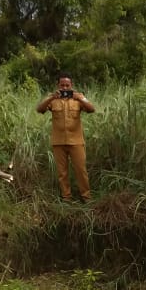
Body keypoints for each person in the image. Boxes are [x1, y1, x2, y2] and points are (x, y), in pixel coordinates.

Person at [36, 73, 95, 201]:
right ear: (58, 85)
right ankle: (66, 197)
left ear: (71, 85)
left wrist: (80, 99)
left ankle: (86, 197)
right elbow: (40, 110)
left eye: (67, 85)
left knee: (81, 170)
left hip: (76, 141)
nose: (65, 88)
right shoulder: (53, 99)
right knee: (62, 172)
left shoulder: (78, 98)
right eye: (62, 85)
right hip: (58, 141)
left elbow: (91, 109)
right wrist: (51, 98)